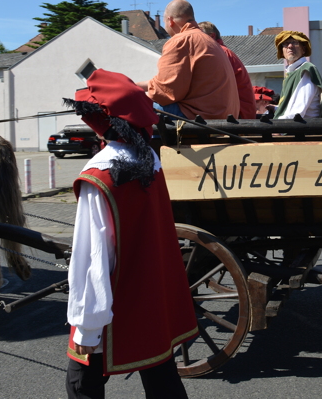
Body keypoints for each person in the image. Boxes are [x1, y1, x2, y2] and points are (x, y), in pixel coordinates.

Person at [64, 69, 197, 399]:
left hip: (115, 301)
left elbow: (92, 256)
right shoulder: (151, 159)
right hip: (151, 297)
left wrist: (87, 326)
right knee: (161, 379)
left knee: (81, 385)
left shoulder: (99, 175)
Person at [137, 0, 239, 120]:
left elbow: (166, 92)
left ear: (170, 21)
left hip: (200, 117)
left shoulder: (180, 40)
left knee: (133, 104)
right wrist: (135, 86)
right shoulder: (209, 41)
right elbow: (170, 81)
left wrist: (134, 95)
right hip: (223, 115)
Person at [198, 21, 257, 119]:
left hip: (237, 115)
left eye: (200, 37)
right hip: (241, 112)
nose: (196, 40)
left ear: (212, 36)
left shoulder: (218, 53)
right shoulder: (223, 52)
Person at [272, 31, 322, 119]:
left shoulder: (306, 70)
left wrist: (276, 128)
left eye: (295, 42)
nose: (290, 46)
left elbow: (297, 113)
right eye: (286, 43)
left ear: (303, 49)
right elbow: (292, 108)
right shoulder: (292, 72)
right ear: (282, 51)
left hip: (305, 131)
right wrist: (276, 109)